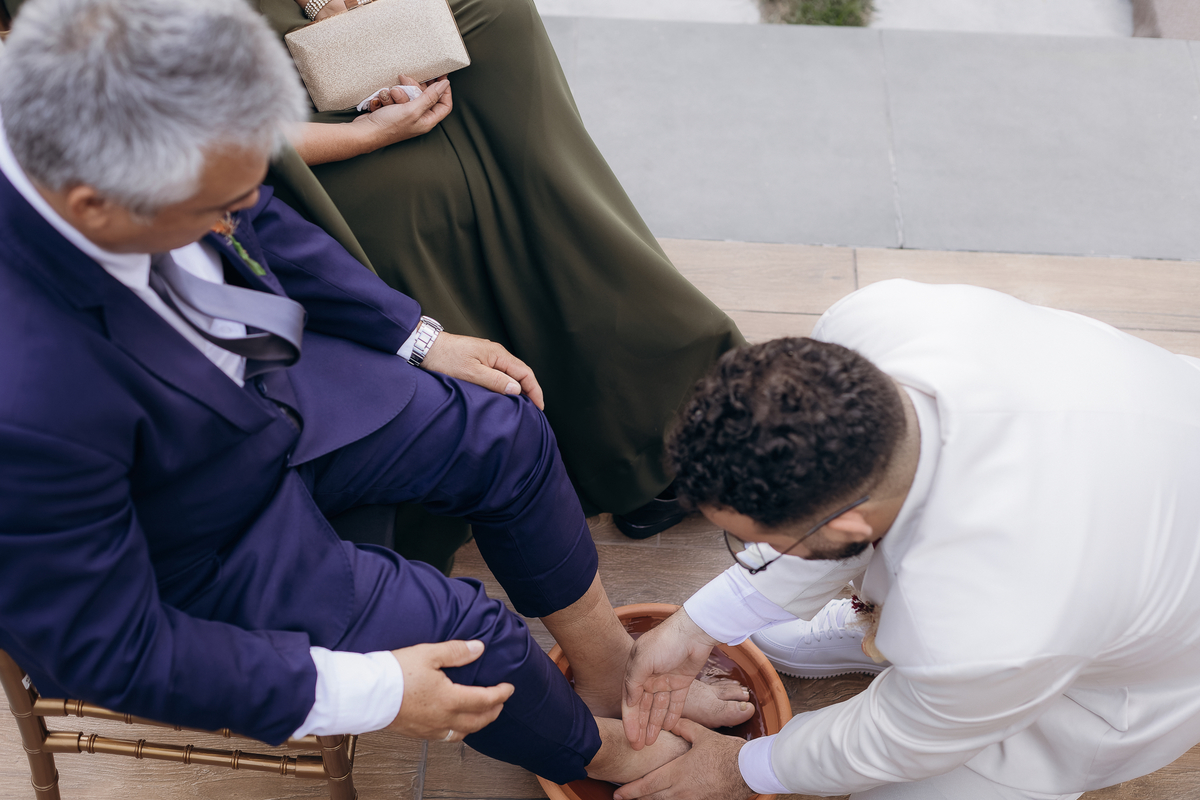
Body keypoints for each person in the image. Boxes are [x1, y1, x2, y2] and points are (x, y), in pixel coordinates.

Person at [0, 0, 754, 786]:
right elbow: (103, 646)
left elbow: (266, 228)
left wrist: (420, 336)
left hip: (270, 388)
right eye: (215, 211)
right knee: (470, 638)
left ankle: (610, 671)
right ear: (93, 207)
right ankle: (601, 751)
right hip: (192, 538)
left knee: (506, 429)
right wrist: (374, 690)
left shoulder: (147, 136)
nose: (239, 212)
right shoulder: (26, 398)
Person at [614, 280, 1200, 800]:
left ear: (848, 529)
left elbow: (900, 740)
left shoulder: (996, 623)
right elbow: (848, 484)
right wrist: (701, 624)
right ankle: (903, 647)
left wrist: (747, 767)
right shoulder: (870, 321)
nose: (754, 557)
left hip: (1131, 671)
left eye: (754, 543)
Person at [256, 0, 746, 539]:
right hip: (264, 96)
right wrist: (365, 134)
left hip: (373, 28)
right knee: (409, 197)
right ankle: (494, 451)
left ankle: (649, 432)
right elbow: (194, 135)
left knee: (497, 18)